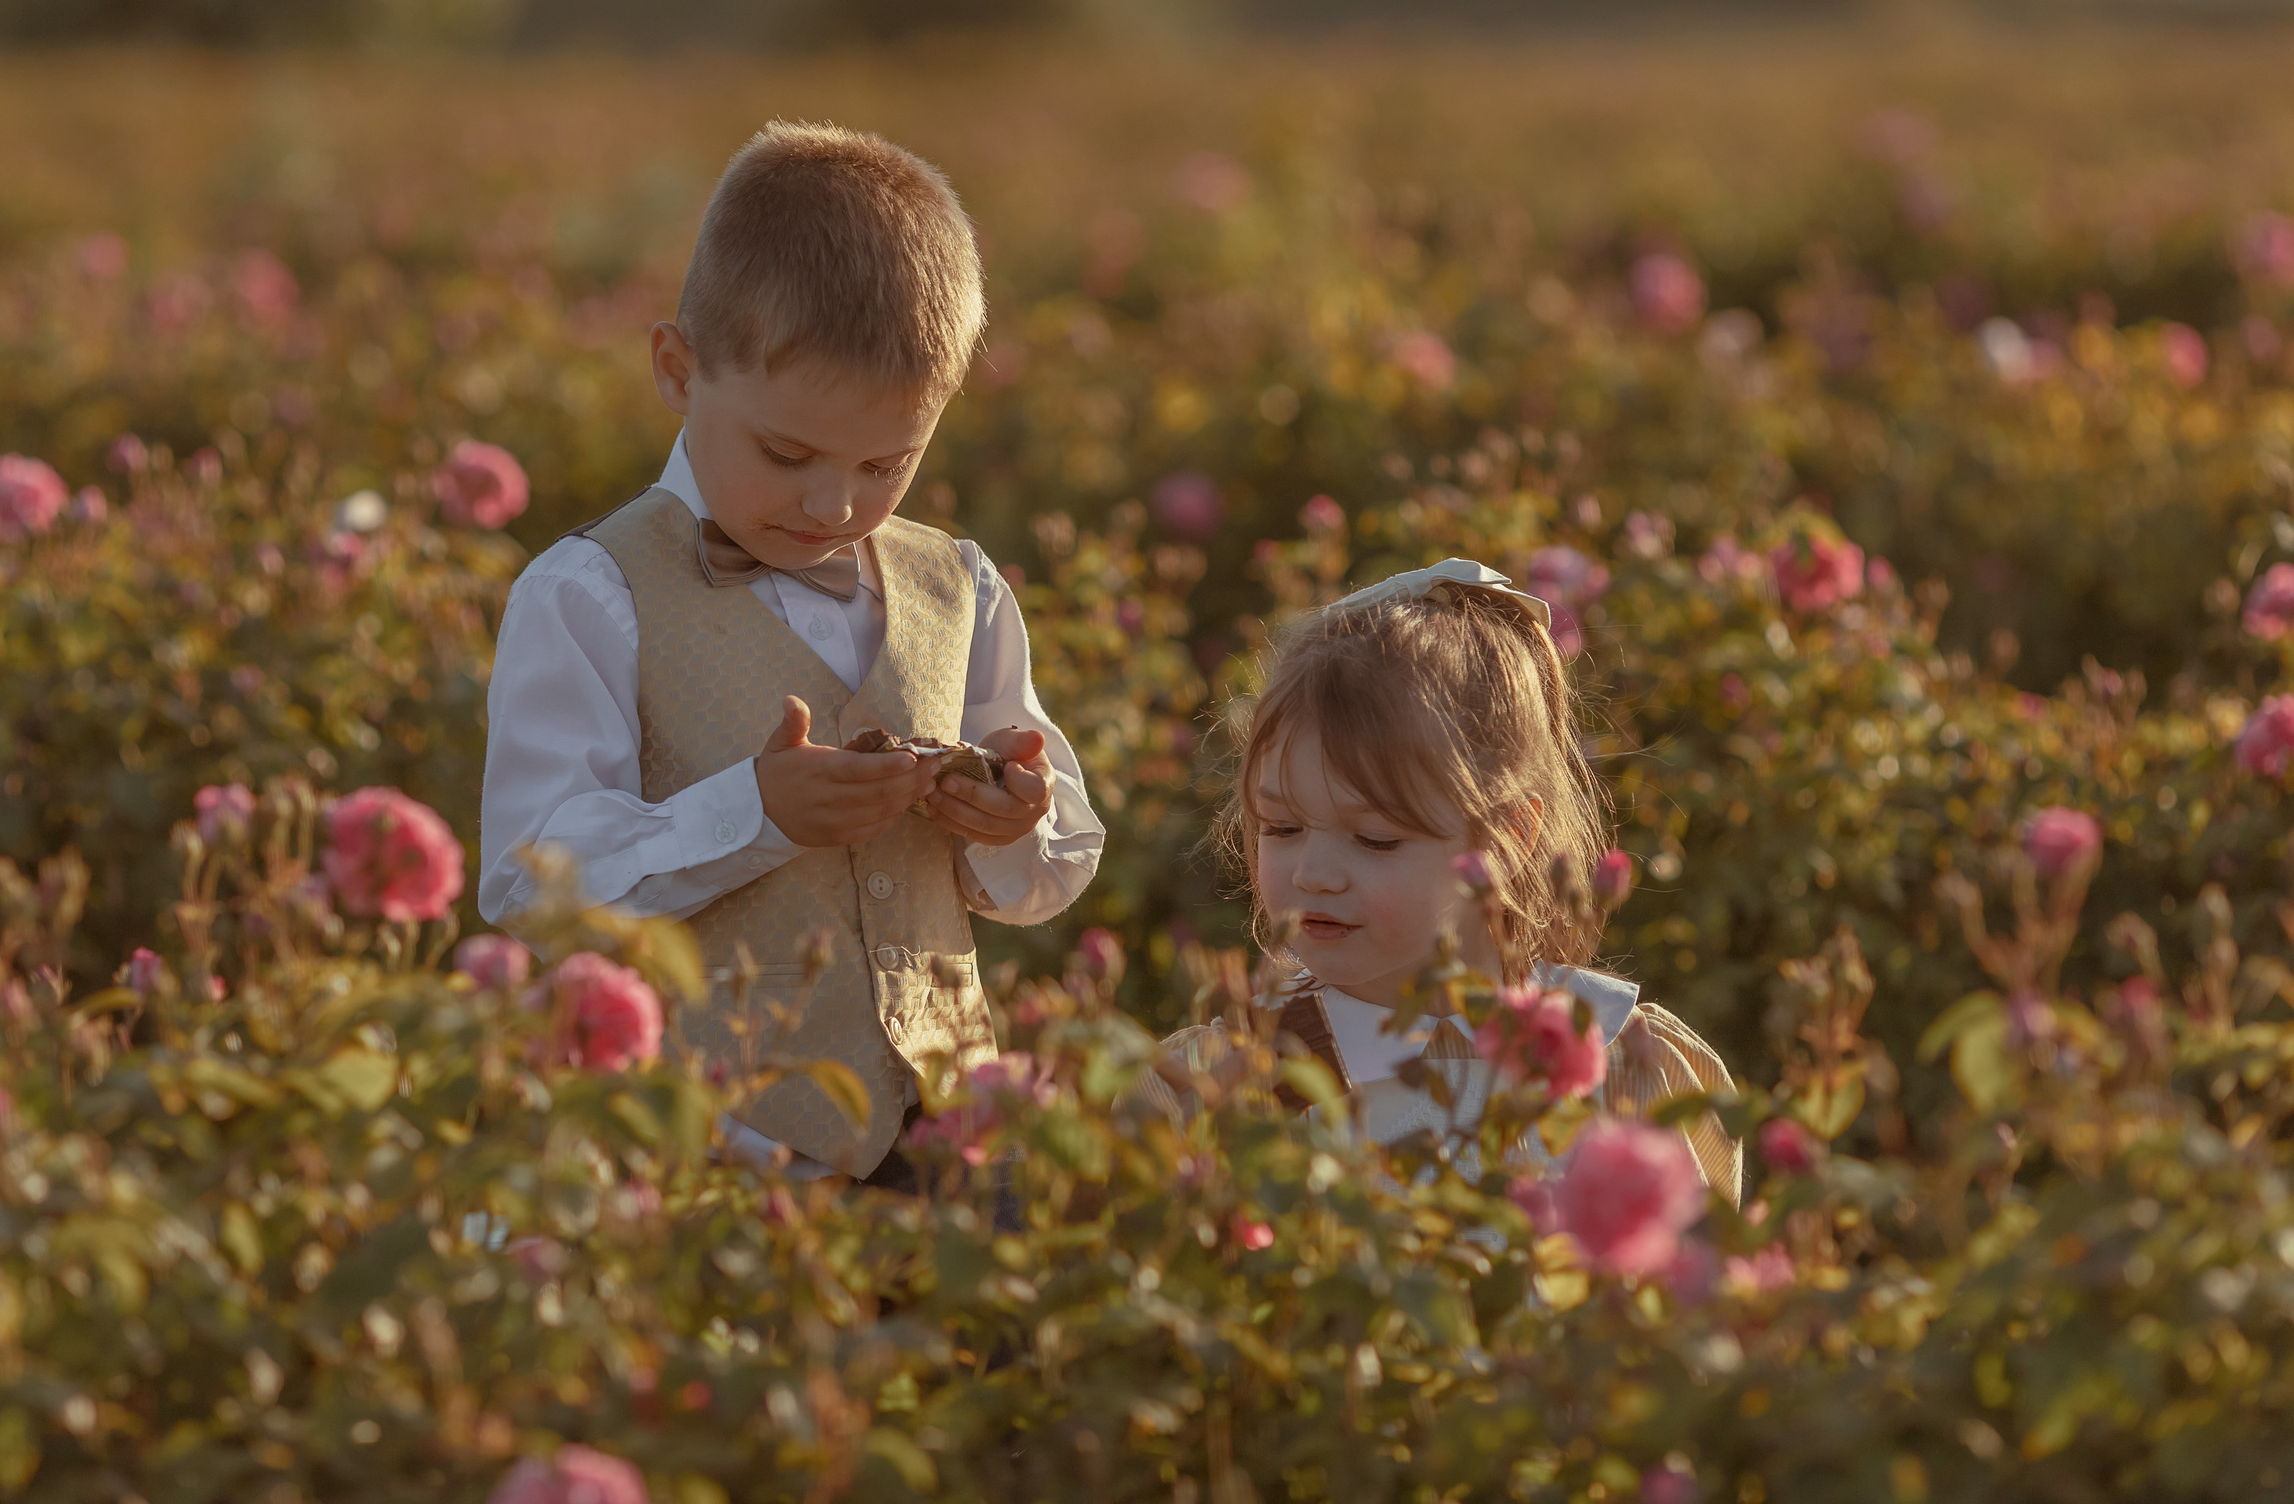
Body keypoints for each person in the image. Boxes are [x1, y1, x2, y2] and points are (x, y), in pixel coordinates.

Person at [480, 122, 1104, 1186]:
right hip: (714, 1151)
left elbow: (1057, 858)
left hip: (949, 1143)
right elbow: (530, 882)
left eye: (885, 461)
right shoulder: (588, 594)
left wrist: (1006, 820)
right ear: (677, 370)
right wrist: (753, 811)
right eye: (786, 453)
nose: (834, 503)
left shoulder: (958, 586)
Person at [1129, 558, 1741, 1194]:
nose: (1312, 874)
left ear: (1508, 834)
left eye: (1375, 839)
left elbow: (1696, 1280)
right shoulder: (1218, 1079)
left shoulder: (1621, 1062)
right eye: (1280, 828)